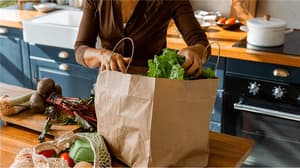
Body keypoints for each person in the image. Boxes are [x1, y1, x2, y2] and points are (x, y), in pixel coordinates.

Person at [75, 0, 210, 78]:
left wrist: (194, 52)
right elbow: (81, 49)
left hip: (151, 91)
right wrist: (102, 55)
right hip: (110, 88)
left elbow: (201, 44)